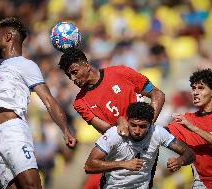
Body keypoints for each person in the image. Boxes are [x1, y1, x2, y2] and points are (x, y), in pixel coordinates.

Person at [0, 17, 77, 189]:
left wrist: (66, 130)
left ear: (7, 37)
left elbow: (49, 100)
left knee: (31, 186)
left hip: (13, 132)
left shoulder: (24, 65)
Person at [58, 48, 165, 188]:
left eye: (74, 72)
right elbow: (107, 130)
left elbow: (158, 95)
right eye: (69, 75)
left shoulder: (121, 72)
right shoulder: (80, 103)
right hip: (119, 155)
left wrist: (147, 128)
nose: (72, 79)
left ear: (86, 65)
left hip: (145, 151)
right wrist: (122, 122)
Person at [84, 102, 196, 189]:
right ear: (127, 121)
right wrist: (123, 164)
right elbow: (89, 166)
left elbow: (190, 153)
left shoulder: (157, 132)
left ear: (150, 124)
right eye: (133, 125)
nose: (137, 131)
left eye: (142, 126)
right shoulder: (115, 134)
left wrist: (180, 161)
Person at [166, 68, 212, 189]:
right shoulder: (185, 119)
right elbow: (157, 133)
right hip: (203, 184)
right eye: (193, 88)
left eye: (201, 88)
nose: (195, 92)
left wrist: (194, 128)